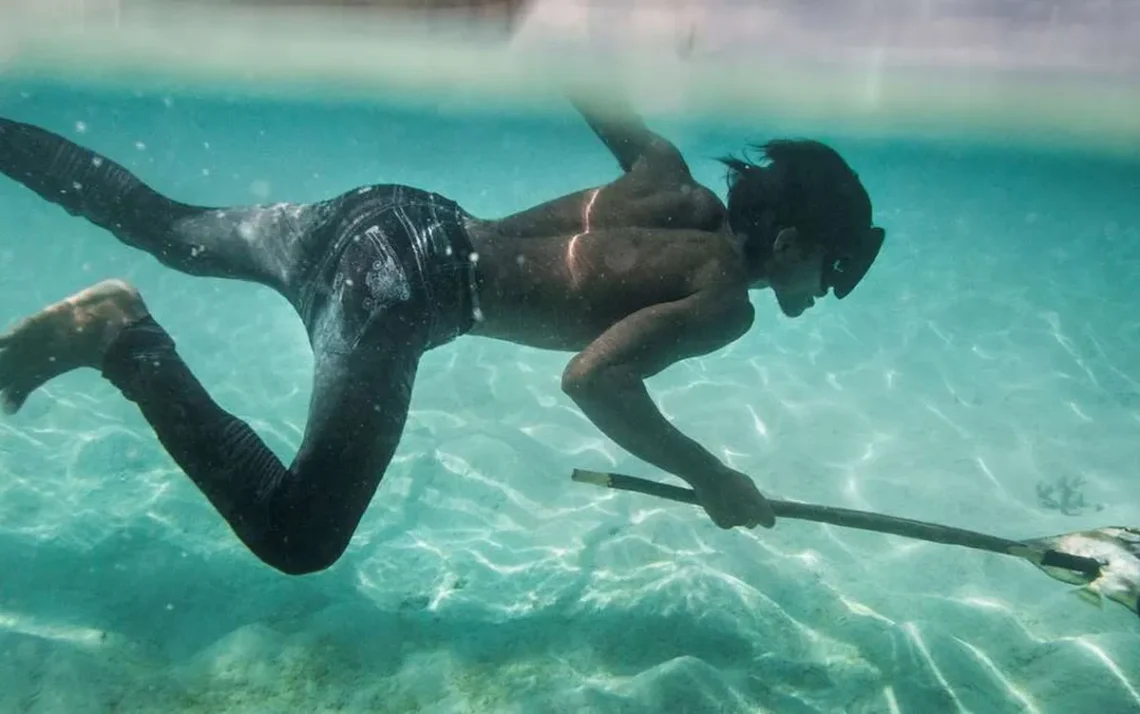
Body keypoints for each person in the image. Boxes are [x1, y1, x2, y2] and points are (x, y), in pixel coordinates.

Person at [0, 97, 884, 575]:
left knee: (162, 225)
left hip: (388, 213)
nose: (827, 294)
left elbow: (586, 84)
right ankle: (118, 336)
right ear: (796, 242)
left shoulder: (667, 176)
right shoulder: (724, 296)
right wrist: (713, 476)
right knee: (299, 539)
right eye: (833, 272)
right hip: (402, 291)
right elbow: (594, 380)